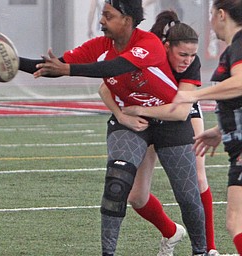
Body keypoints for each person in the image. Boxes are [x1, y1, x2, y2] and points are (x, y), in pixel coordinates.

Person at [17, 0, 207, 255]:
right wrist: (11, 62)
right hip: (129, 120)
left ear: (126, 20)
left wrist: (69, 69)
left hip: (169, 122)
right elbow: (54, 67)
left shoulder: (147, 43)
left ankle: (202, 251)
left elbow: (117, 67)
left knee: (187, 196)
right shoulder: (100, 46)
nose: (101, 21)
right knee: (117, 184)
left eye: (108, 15)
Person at [99, 10, 219, 256]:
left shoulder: (189, 64)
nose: (187, 60)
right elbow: (104, 87)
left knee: (196, 177)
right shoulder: (147, 52)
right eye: (182, 54)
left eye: (192, 55)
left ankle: (208, 249)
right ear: (165, 47)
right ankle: (171, 231)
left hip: (179, 109)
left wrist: (137, 108)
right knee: (134, 196)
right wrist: (122, 115)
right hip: (146, 115)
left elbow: (180, 111)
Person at [171, 0, 242, 254]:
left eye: (212, 14)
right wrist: (220, 131)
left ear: (221, 14)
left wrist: (194, 96)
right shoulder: (234, 49)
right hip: (236, 146)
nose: (211, 22)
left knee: (236, 222)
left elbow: (241, 82)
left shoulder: (239, 45)